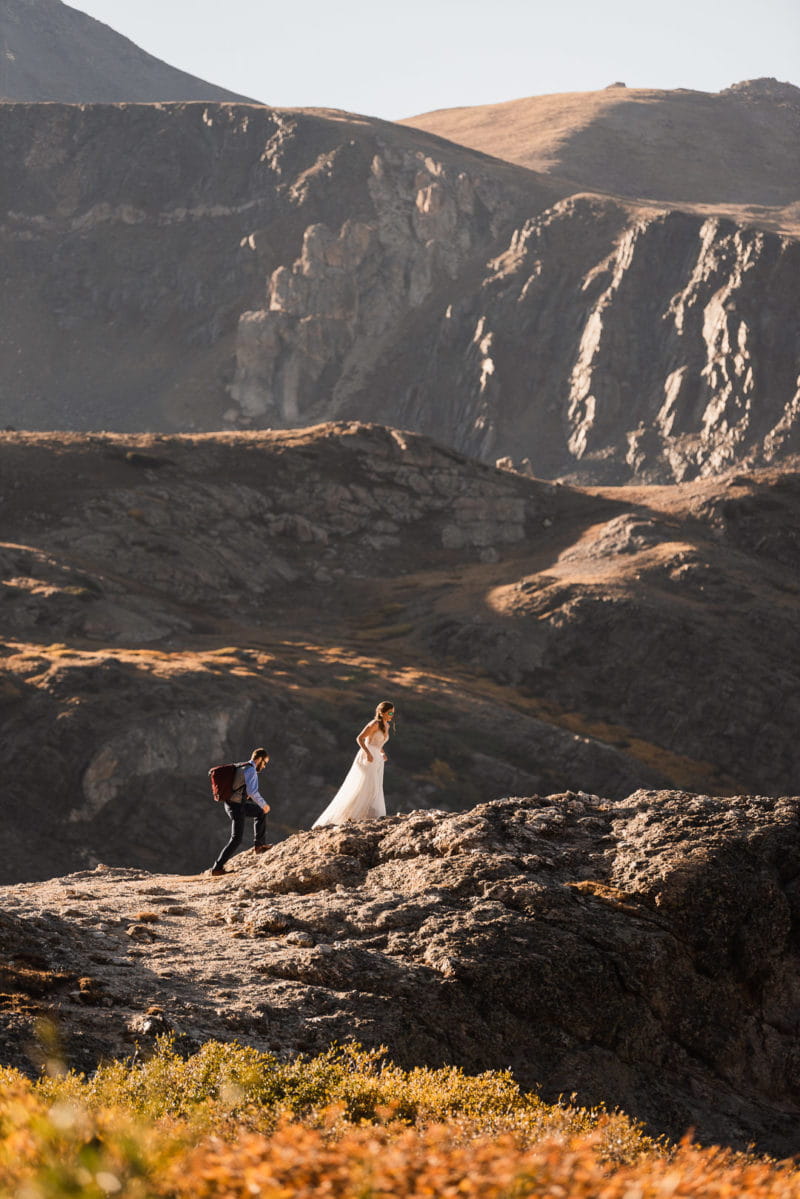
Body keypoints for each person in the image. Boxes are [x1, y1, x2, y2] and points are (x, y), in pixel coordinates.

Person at [313, 702, 394, 827]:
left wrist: (382, 753)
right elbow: (360, 738)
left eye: (393, 713)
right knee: (367, 784)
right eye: (390, 712)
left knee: (376, 785)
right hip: (368, 757)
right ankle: (356, 814)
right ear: (382, 712)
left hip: (377, 758)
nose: (392, 715)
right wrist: (367, 753)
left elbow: (379, 743)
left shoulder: (387, 726)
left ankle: (369, 814)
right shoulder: (374, 724)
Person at [209, 748, 271, 876]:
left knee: (259, 812)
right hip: (237, 807)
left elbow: (242, 787)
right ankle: (217, 868)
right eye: (264, 763)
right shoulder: (251, 770)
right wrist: (264, 805)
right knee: (236, 839)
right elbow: (253, 792)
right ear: (259, 759)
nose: (264, 766)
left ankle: (259, 845)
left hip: (232, 804)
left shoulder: (242, 766)